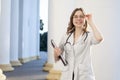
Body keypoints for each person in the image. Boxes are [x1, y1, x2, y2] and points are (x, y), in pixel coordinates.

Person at [54, 8, 103, 80]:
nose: (78, 19)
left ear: (84, 19)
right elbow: (57, 59)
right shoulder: (66, 36)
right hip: (68, 74)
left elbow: (99, 38)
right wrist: (56, 54)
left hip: (84, 75)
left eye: (81, 16)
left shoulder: (88, 36)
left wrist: (91, 22)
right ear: (72, 19)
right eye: (76, 16)